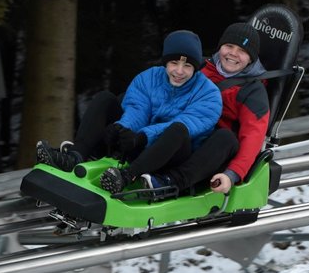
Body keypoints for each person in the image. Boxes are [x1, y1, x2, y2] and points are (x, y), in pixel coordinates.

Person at [36, 29, 222, 194]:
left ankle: (126, 177)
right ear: (165, 62)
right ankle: (75, 157)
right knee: (105, 98)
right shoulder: (148, 78)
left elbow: (188, 125)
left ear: (196, 69)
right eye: (174, 63)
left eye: (187, 66)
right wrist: (122, 128)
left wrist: (141, 137)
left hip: (171, 153)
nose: (179, 71)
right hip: (137, 145)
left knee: (178, 129)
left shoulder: (209, 94)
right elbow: (137, 108)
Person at [140, 22, 270, 197]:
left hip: (211, 155)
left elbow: (253, 138)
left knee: (226, 137)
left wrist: (232, 174)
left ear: (251, 59)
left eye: (242, 51)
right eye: (229, 46)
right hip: (182, 137)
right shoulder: (199, 67)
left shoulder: (253, 92)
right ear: (220, 47)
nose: (233, 53)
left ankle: (169, 182)